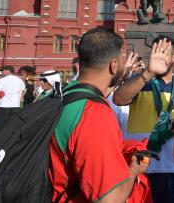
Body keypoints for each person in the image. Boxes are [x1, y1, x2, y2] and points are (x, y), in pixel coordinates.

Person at [49, 27, 151, 203]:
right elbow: (110, 199)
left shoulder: (57, 95)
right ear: (113, 65)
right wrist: (134, 169)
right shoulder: (94, 114)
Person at [113, 36, 174, 203]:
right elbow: (119, 99)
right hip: (141, 168)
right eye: (154, 53)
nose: (158, 57)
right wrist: (148, 72)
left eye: (163, 53)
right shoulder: (141, 82)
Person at [0, 65, 25, 135]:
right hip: (15, 106)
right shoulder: (19, 80)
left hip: (3, 106)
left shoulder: (2, 80)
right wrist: (19, 99)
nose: (1, 72)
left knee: (0, 126)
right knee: (12, 126)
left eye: (2, 70)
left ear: (7, 70)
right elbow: (23, 91)